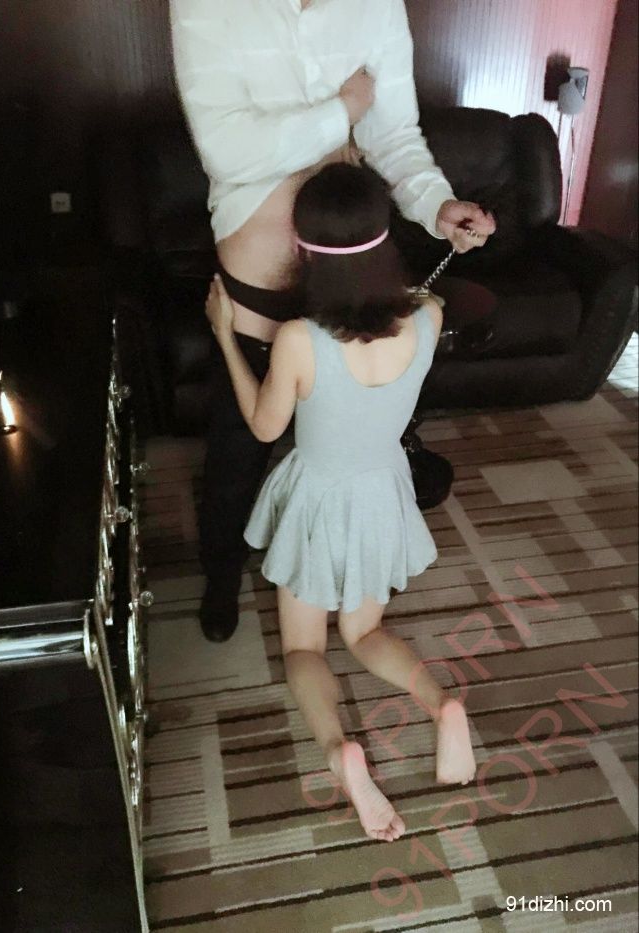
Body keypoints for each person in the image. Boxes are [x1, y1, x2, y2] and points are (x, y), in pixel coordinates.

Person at [171, 0, 496, 641]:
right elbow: (227, 151)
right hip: (260, 286)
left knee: (351, 441)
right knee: (241, 442)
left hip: (354, 272)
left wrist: (437, 205)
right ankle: (222, 570)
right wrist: (342, 113)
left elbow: (394, 135)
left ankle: (349, 567)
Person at [204, 164, 476, 841]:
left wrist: (224, 335)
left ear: (304, 249)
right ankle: (443, 706)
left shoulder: (300, 339)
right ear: (384, 239)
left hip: (319, 502)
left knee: (305, 648)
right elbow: (412, 298)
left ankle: (339, 750)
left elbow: (264, 426)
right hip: (383, 491)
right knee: (365, 632)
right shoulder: (429, 315)